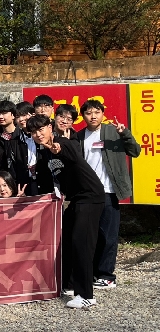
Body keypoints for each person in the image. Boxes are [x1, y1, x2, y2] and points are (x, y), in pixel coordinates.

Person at [27, 114, 105, 309]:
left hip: (90, 196)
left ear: (50, 127)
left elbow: (70, 152)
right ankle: (70, 285)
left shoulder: (64, 143)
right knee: (67, 240)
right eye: (34, 132)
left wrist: (58, 148)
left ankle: (86, 295)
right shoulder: (45, 154)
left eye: (41, 129)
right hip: (76, 198)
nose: (38, 134)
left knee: (81, 243)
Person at [77, 99, 141, 289]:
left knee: (108, 236)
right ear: (83, 116)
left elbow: (135, 151)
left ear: (103, 114)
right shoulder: (79, 136)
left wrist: (125, 133)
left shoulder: (113, 132)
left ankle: (107, 275)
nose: (93, 116)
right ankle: (92, 273)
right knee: (90, 236)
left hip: (108, 191)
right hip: (89, 193)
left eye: (97, 112)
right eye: (88, 113)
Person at [6, 101, 39, 196]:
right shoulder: (14, 141)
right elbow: (13, 169)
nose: (21, 119)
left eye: (24, 115)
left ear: (33, 115)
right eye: (17, 117)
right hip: (24, 186)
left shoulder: (41, 137)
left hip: (43, 183)